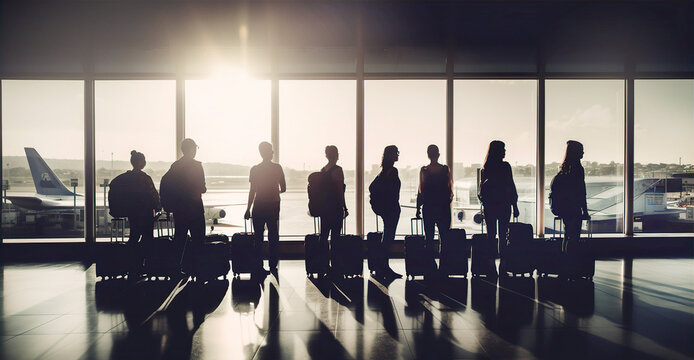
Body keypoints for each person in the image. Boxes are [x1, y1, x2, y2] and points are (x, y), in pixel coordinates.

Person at [245, 142, 286, 276]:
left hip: (259, 204)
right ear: (270, 152)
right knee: (273, 235)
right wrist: (275, 191)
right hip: (273, 204)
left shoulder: (255, 169)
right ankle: (273, 264)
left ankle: (258, 265)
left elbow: (252, 191)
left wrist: (248, 208)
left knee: (258, 237)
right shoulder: (277, 168)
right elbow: (284, 188)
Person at [121, 150, 161, 277]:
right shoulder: (145, 178)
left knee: (133, 238)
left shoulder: (127, 178)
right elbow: (154, 196)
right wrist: (158, 207)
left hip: (133, 213)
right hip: (146, 214)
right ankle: (146, 265)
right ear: (140, 163)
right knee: (148, 239)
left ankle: (131, 266)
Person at [170, 138, 207, 273]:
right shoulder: (197, 166)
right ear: (191, 149)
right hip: (195, 208)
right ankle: (199, 270)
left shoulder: (175, 166)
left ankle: (177, 269)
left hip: (180, 209)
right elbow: (202, 188)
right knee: (198, 241)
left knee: (179, 240)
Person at [478, 140, 519, 256]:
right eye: (503, 149)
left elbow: (481, 190)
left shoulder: (486, 168)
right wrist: (515, 206)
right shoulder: (505, 167)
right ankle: (503, 263)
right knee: (503, 235)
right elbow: (511, 186)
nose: (505, 151)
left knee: (490, 235)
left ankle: (491, 263)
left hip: (490, 205)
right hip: (504, 205)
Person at [416, 144, 453, 272]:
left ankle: (430, 264)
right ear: (438, 154)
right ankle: (445, 264)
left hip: (429, 207)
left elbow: (420, 190)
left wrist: (417, 208)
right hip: (443, 207)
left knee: (429, 237)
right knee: (444, 236)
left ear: (428, 155)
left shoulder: (424, 170)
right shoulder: (444, 170)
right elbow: (449, 189)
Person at [370, 145, 402, 279]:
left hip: (385, 209)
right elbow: (394, 191)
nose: (398, 155)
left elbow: (371, 187)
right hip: (391, 209)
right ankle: (384, 267)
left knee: (387, 237)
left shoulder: (383, 171)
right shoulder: (392, 171)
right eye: (397, 153)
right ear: (392, 155)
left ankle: (382, 266)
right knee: (388, 238)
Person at [318, 145, 348, 274]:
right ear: (336, 155)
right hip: (335, 207)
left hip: (324, 208)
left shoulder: (323, 170)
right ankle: (335, 264)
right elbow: (340, 191)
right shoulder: (337, 170)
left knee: (324, 235)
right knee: (335, 237)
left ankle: (323, 264)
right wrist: (344, 207)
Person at [558, 140, 590, 250]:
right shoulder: (578, 169)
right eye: (581, 150)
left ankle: (565, 260)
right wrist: (585, 211)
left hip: (564, 207)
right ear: (576, 152)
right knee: (575, 236)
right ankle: (572, 261)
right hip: (574, 208)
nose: (583, 153)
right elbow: (581, 191)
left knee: (567, 235)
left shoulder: (563, 168)